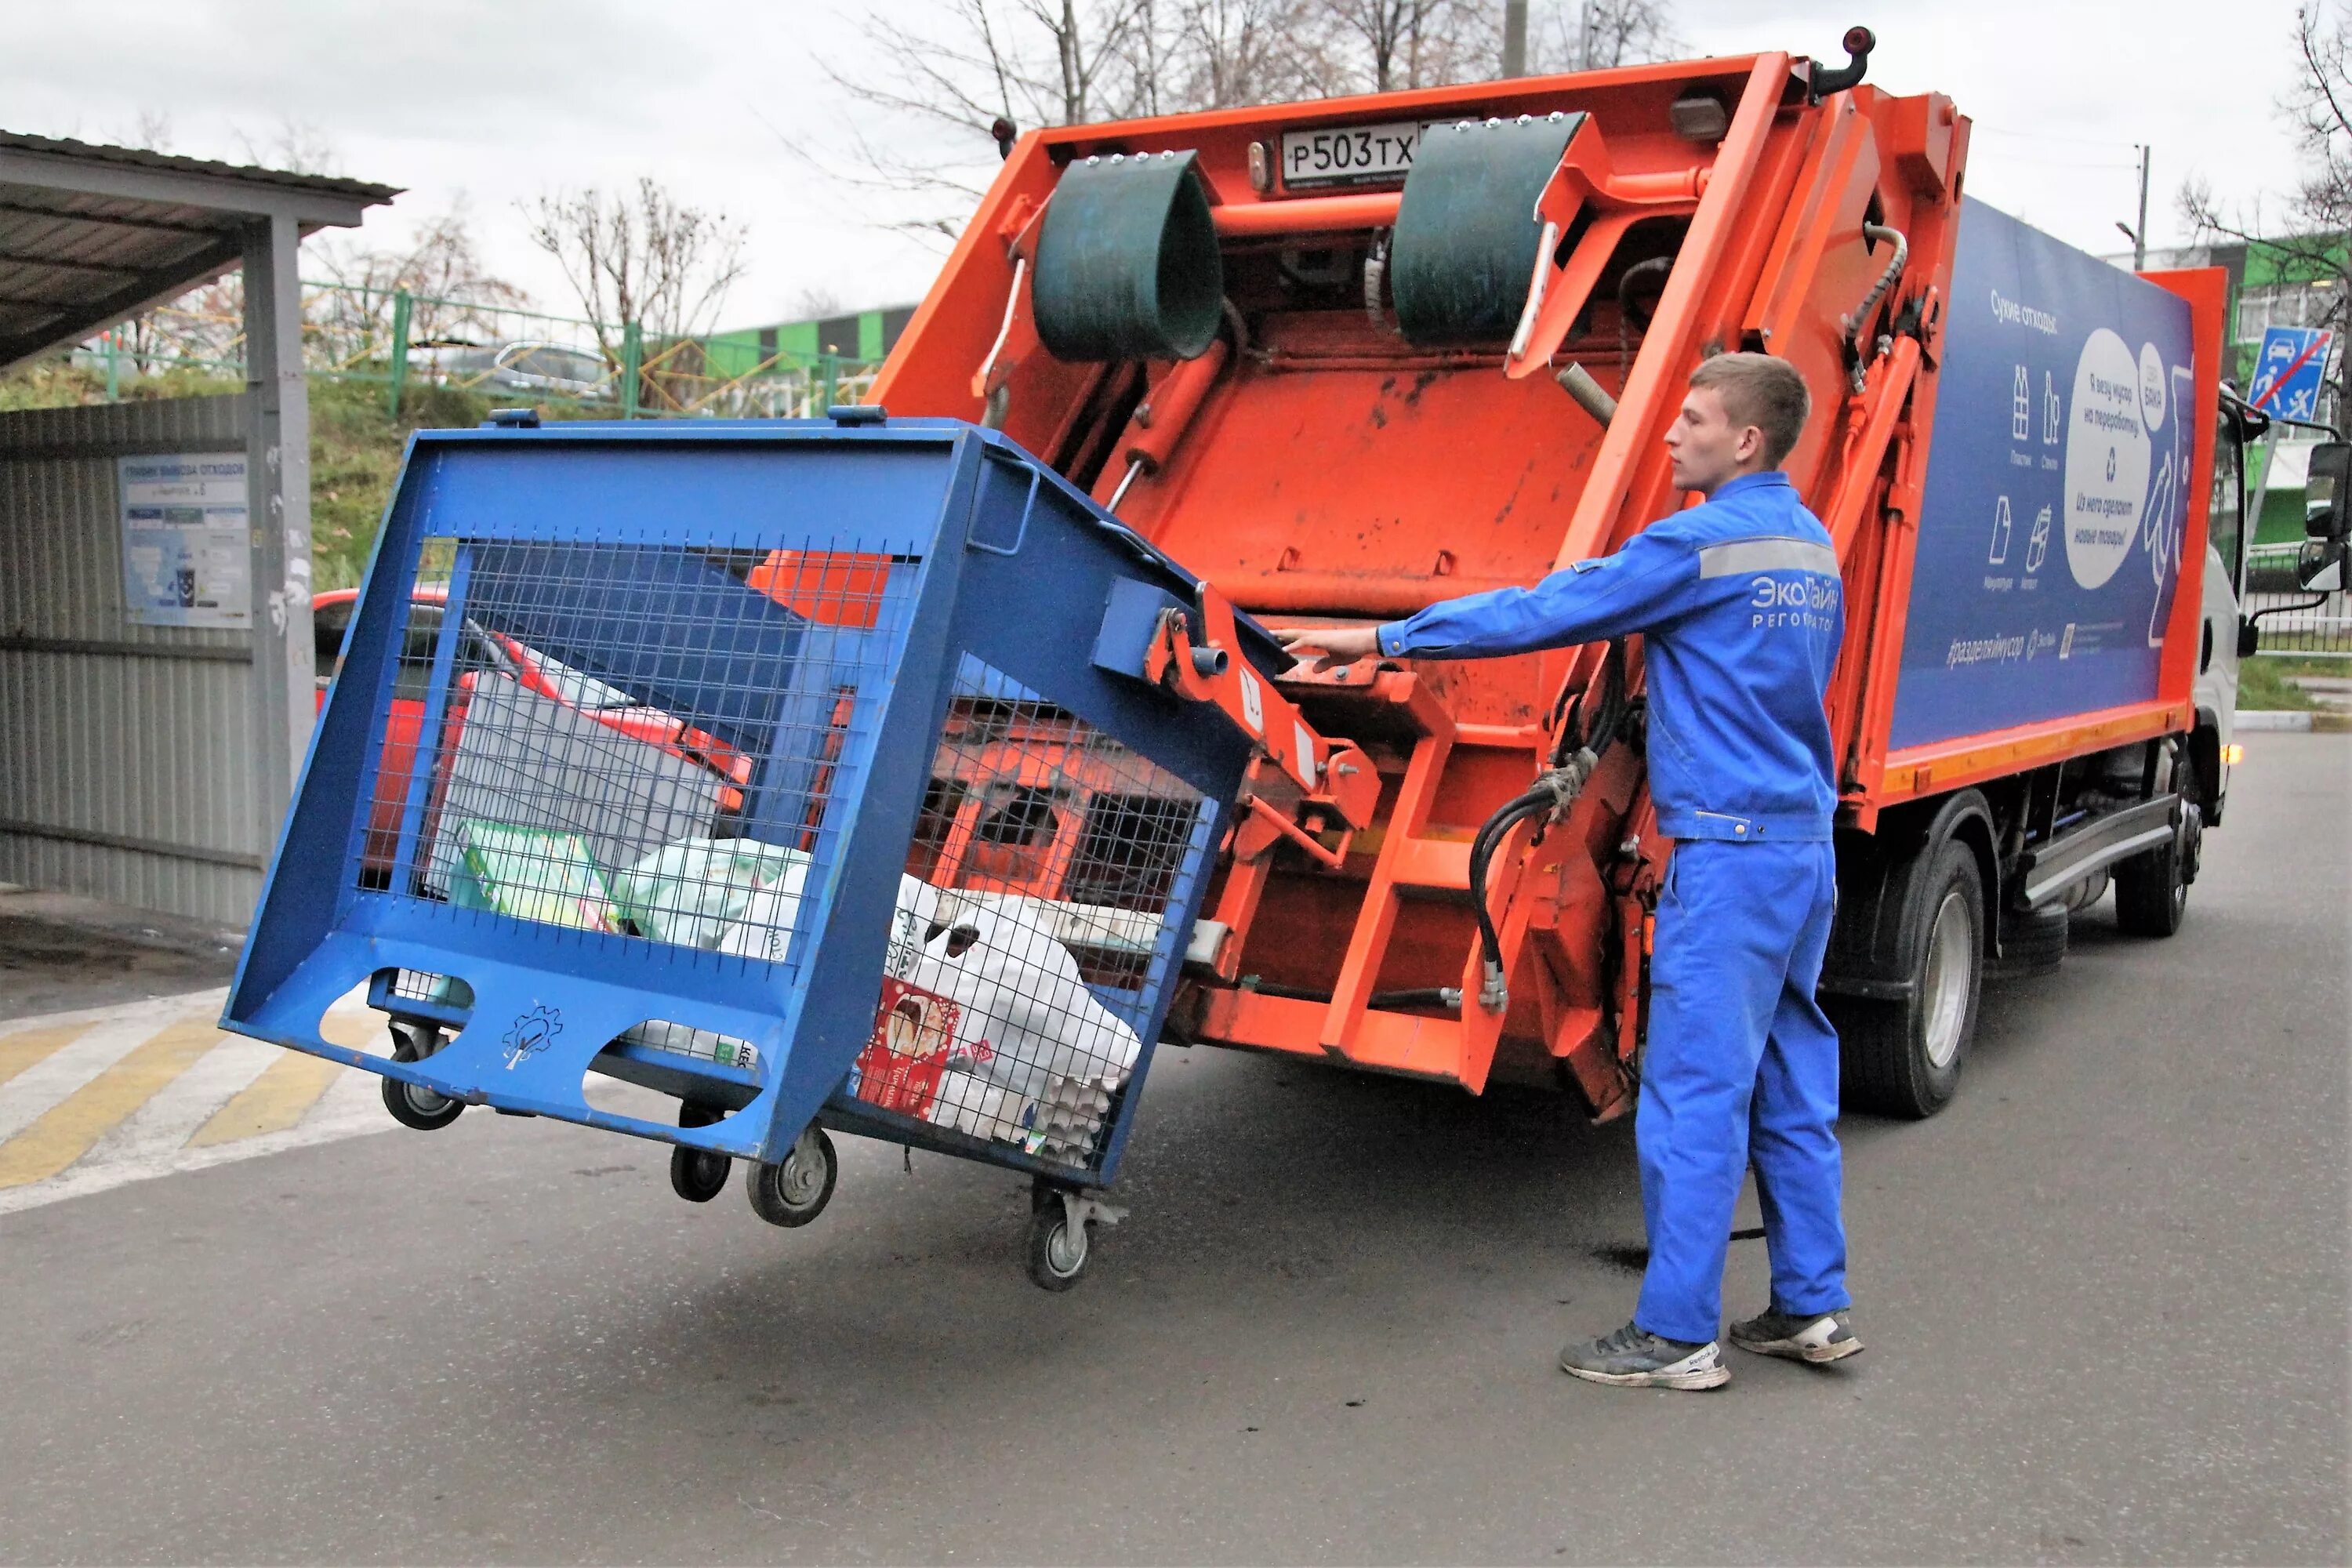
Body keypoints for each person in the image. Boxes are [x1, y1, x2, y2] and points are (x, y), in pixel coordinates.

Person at [1278, 352, 1860, 1392]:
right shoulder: (1810, 546)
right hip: (1799, 852)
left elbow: (1545, 610)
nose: (1671, 433)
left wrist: (1385, 635)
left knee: (1691, 1097)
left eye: (1692, 419)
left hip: (1725, 863)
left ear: (1747, 443)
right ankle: (1812, 1308)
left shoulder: (1697, 545)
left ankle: (1680, 1337)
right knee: (1789, 1082)